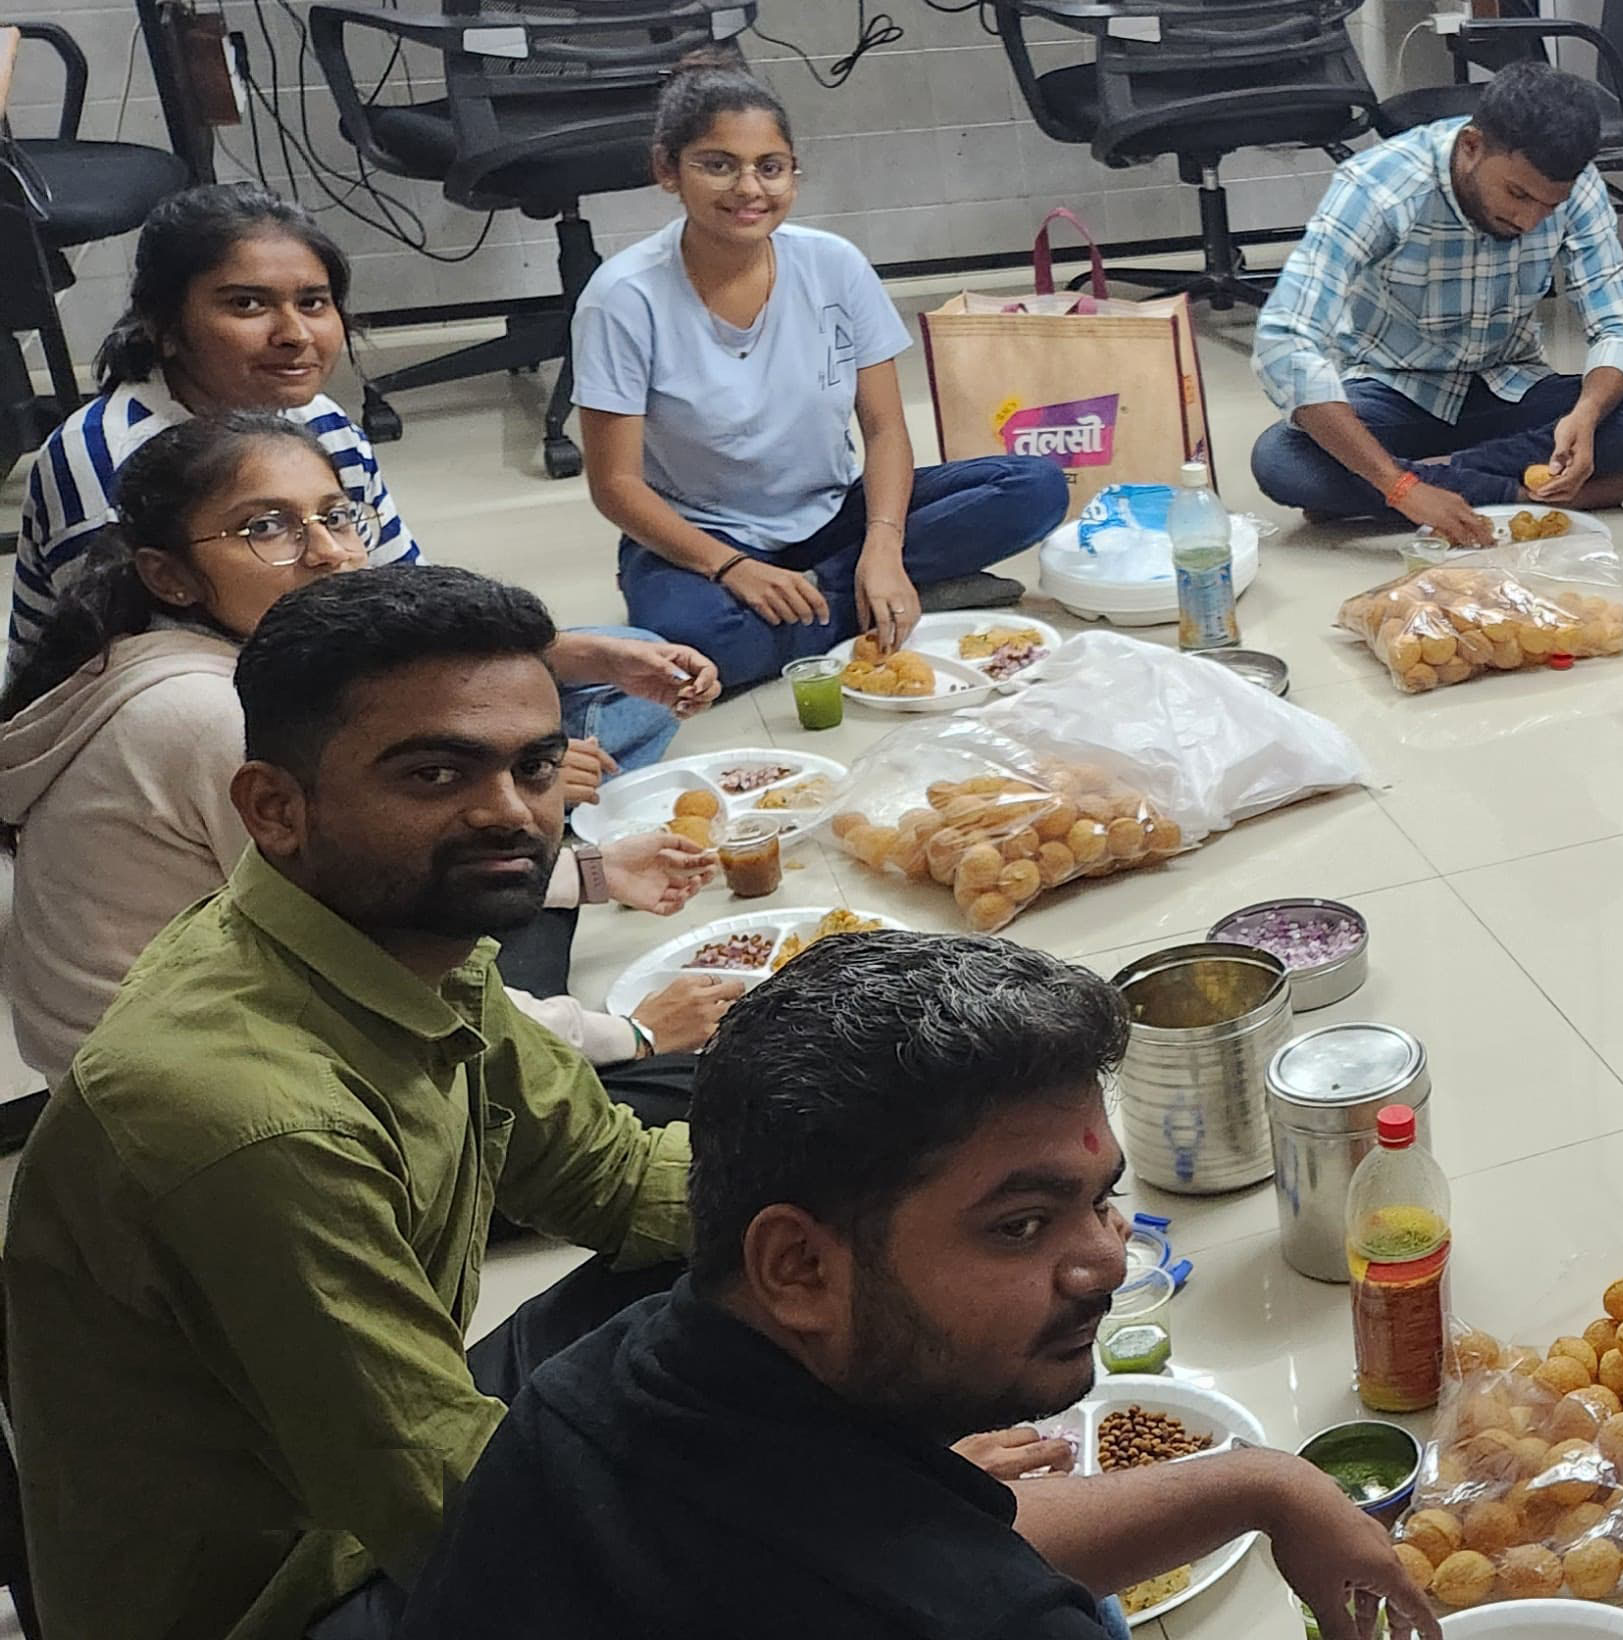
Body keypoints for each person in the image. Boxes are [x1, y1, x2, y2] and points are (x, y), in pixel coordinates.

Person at [1, 565, 695, 1640]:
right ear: (274, 809)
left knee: (777, 1265)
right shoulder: (252, 1121)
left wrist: (886, 1199)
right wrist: (830, 1496)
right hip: (288, 1594)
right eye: (434, 773)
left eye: (536, 764)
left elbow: (620, 1186)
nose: (510, 814)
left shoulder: (410, 935)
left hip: (378, 1475)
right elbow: (458, 1510)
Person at [396, 931, 1443, 1639]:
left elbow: (919, 1533)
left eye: (1099, 1201)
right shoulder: (980, 1619)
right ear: (799, 1265)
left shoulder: (599, 1381)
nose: (1106, 1262)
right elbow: (942, 1574)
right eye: (1020, 1225)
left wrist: (1263, 1483)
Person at [0, 414, 732, 1094]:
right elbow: (378, 969)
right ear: (169, 575)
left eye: (336, 515)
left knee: (517, 875)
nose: (327, 552)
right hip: (216, 1094)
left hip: (256, 1008)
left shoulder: (230, 663)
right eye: (266, 527)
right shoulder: (214, 717)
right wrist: (632, 1034)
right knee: (712, 1097)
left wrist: (598, 874)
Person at [9, 182, 711, 766]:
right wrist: (491, 756)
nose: (294, 333)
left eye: (312, 303)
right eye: (246, 304)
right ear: (165, 326)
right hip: (211, 732)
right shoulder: (104, 459)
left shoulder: (319, 422)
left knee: (633, 665)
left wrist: (570, 656)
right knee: (524, 746)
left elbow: (402, 595)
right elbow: (163, 698)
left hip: (337, 670)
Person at [575, 52, 1068, 692]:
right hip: (701, 539)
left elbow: (886, 430)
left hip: (832, 512)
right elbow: (615, 485)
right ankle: (885, 602)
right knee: (700, 643)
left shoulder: (834, 264)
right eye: (718, 165)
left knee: (1034, 487)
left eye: (770, 168)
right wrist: (732, 569)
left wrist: (884, 550)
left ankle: (851, 594)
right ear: (668, 170)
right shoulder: (622, 297)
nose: (749, 189)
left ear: (793, 176)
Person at [1247, 60, 1623, 543]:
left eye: (1549, 206)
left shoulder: (1577, 189)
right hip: (1394, 393)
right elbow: (1285, 344)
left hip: (1509, 389)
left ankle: (1398, 485)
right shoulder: (1378, 187)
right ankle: (1515, 494)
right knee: (1281, 461)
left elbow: (1617, 327)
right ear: (1472, 147)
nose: (1530, 219)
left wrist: (1584, 416)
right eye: (1517, 193)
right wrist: (1400, 486)